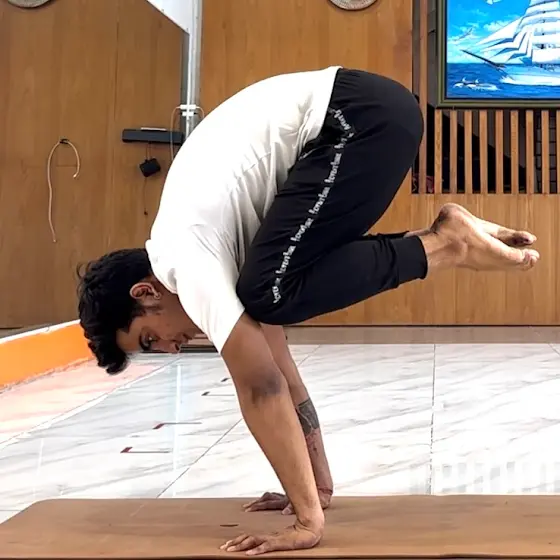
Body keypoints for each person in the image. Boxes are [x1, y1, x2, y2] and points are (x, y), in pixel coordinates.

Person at [77, 67, 539, 555]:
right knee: (269, 292)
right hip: (371, 117)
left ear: (145, 293)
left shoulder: (186, 262)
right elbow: (282, 374)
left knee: (270, 293)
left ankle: (446, 244)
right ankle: (442, 239)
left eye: (150, 338)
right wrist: (315, 490)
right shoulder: (219, 253)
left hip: (355, 119)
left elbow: (261, 389)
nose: (171, 348)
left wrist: (306, 523)